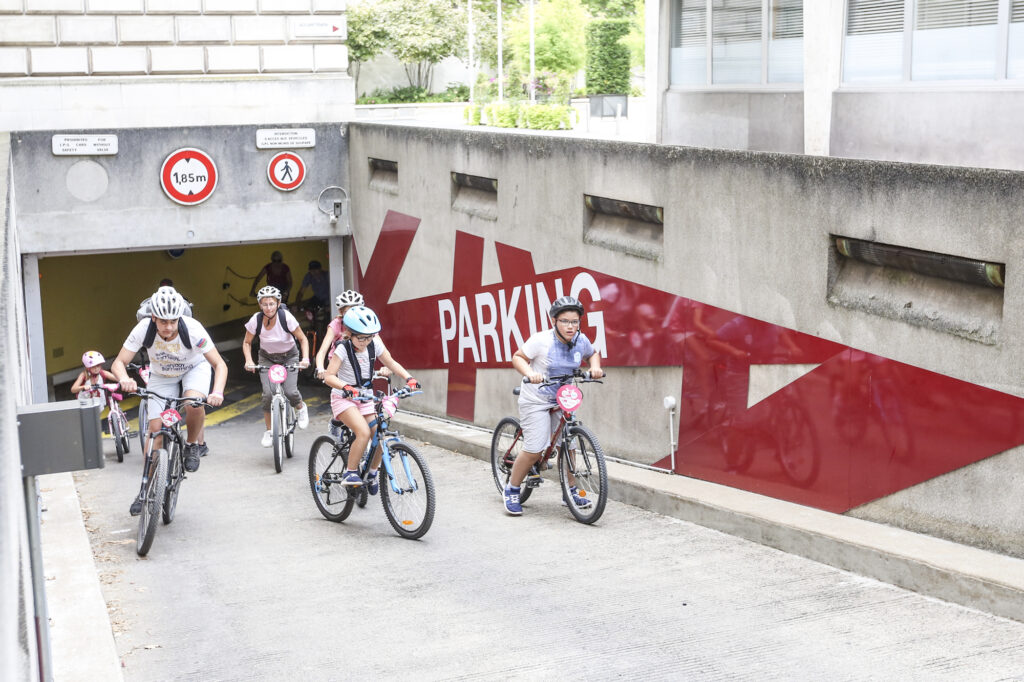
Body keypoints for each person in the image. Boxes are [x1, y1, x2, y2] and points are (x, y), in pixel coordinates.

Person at [111, 287, 227, 516]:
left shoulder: (192, 329)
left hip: (194, 369)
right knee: (155, 431)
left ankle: (192, 445)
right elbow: (118, 363)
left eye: (173, 321)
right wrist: (124, 379)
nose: (169, 327)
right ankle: (145, 489)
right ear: (153, 317)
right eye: (163, 321)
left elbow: (219, 364)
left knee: (194, 402)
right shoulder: (143, 329)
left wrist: (218, 392)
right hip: (162, 376)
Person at [504, 295, 604, 516]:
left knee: (569, 445)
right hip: (537, 399)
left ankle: (569, 490)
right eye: (565, 321)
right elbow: (518, 357)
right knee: (534, 448)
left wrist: (595, 367)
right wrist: (531, 373)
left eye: (575, 321)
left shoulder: (580, 339)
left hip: (563, 398)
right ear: (554, 321)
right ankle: (512, 488)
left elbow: (593, 354)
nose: (571, 326)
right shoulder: (542, 340)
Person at [321, 306, 419, 494]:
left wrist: (409, 379)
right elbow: (329, 376)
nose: (366, 341)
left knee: (379, 434)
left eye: (370, 336)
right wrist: (346, 387)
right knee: (363, 432)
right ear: (349, 333)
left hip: (365, 397)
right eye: (361, 337)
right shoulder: (342, 349)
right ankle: (350, 472)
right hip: (344, 399)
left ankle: (372, 473)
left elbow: (391, 362)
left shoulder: (374, 345)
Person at [242, 285, 311, 447]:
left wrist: (305, 359)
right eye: (265, 304)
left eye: (272, 303)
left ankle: (301, 408)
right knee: (268, 394)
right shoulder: (256, 320)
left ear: (278, 303)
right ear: (260, 304)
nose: (268, 307)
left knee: (290, 391)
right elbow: (247, 342)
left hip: (289, 356)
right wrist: (249, 360)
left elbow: (302, 339)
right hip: (267, 358)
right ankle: (269, 431)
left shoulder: (286, 317)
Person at [315, 289, 388, 380]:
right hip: (339, 365)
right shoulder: (336, 324)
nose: (352, 315)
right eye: (348, 312)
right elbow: (322, 351)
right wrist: (320, 368)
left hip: (361, 363)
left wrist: (387, 366)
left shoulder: (367, 324)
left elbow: (381, 348)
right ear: (341, 312)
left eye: (355, 310)